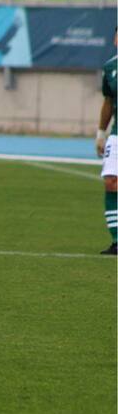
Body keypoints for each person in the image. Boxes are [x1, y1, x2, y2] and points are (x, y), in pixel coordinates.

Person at [96, 30, 117, 255]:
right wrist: (101, 133)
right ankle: (117, 241)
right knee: (111, 181)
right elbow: (108, 101)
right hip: (117, 134)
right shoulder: (111, 68)